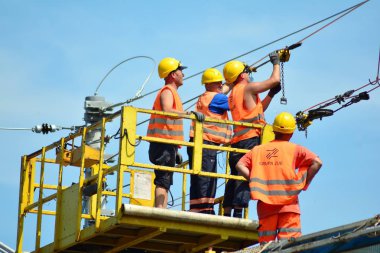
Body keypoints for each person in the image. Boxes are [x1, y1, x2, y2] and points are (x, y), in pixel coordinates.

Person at [236, 112, 323, 243]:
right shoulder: (295, 149)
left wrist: (253, 179)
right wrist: (303, 182)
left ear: (274, 130)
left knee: (266, 247)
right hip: (289, 205)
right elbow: (317, 163)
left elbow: (240, 165)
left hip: (265, 206)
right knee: (289, 247)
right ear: (291, 133)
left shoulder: (258, 150)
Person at [222, 51, 282, 218]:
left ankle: (227, 212)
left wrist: (271, 95)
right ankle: (238, 213)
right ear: (241, 75)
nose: (249, 74)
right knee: (244, 176)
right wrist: (276, 63)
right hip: (249, 140)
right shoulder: (247, 87)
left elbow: (257, 111)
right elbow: (274, 80)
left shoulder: (234, 94)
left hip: (237, 141)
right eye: (246, 71)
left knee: (234, 176)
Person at [147, 57, 192, 208]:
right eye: (180, 71)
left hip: (166, 144)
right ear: (173, 74)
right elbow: (167, 110)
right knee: (163, 180)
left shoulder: (172, 92)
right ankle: (160, 210)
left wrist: (176, 149)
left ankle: (162, 209)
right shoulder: (167, 91)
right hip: (163, 143)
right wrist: (187, 114)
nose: (183, 74)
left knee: (165, 181)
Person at [187, 68, 232, 214]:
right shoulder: (217, 98)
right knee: (206, 177)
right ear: (210, 84)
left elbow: (222, 91)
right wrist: (243, 85)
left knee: (198, 175)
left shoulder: (206, 96)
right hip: (206, 143)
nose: (221, 84)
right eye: (218, 82)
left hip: (199, 142)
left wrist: (231, 82)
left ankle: (197, 208)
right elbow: (235, 103)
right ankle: (205, 209)